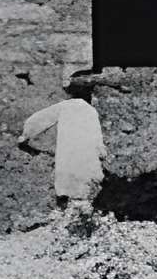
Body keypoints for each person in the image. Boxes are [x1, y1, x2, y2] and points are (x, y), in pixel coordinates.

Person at [18, 69, 107, 220]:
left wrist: (25, 136)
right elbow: (97, 140)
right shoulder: (90, 111)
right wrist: (101, 152)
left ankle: (65, 216)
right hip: (86, 164)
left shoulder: (65, 107)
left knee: (67, 194)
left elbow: (38, 120)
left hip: (67, 164)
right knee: (85, 196)